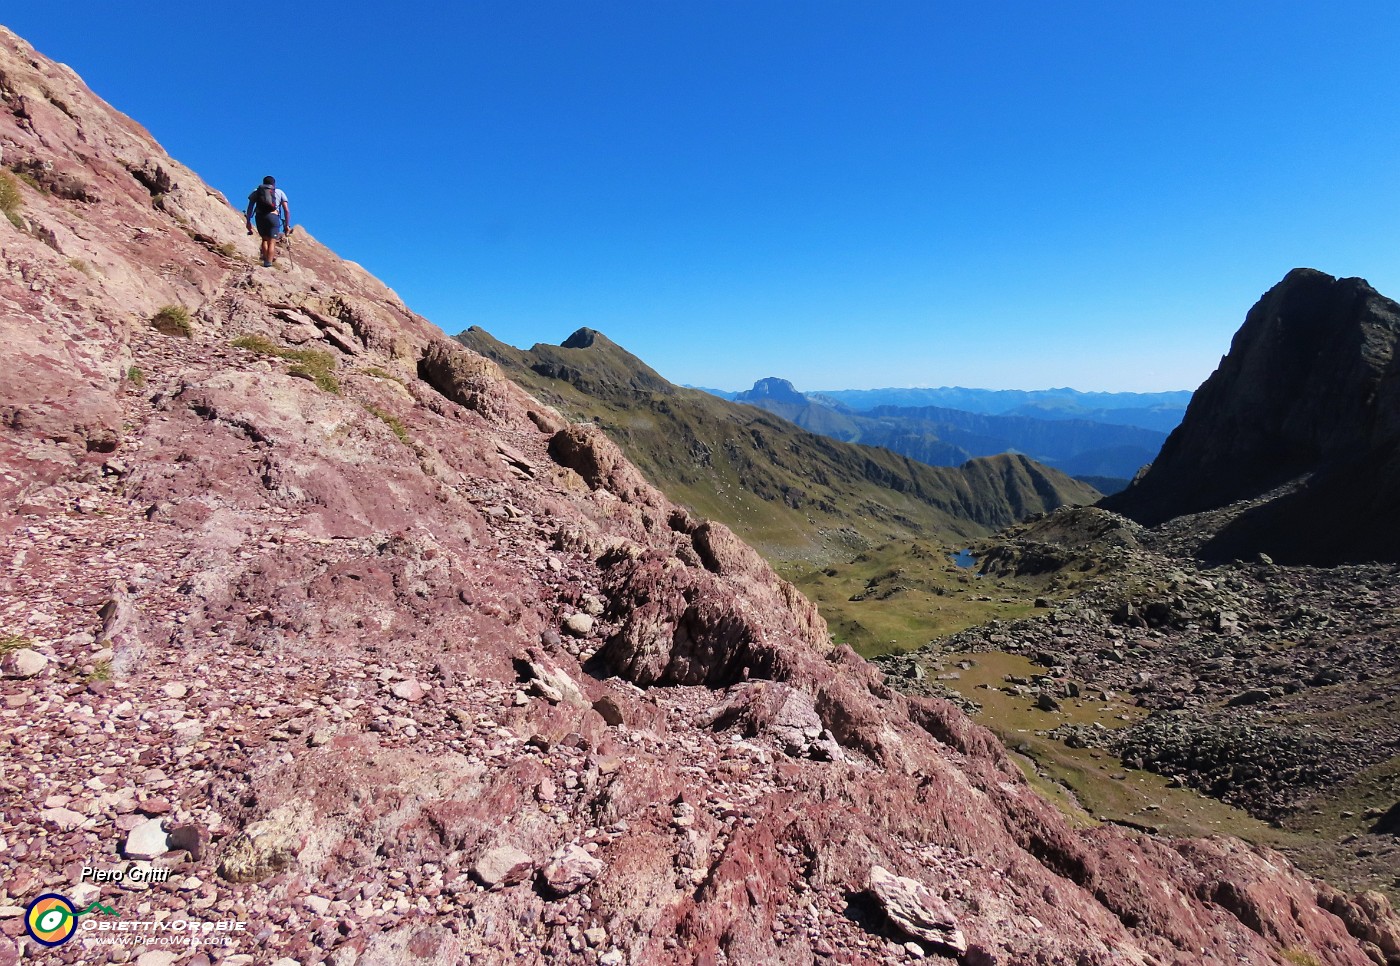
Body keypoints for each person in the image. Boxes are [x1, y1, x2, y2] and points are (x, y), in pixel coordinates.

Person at [245, 176, 291, 268]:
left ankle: (265, 261)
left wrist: (248, 220)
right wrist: (287, 225)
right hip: (273, 217)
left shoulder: (257, 191)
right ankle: (268, 264)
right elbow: (286, 210)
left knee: (265, 240)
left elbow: (250, 207)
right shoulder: (279, 192)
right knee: (272, 241)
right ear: (274, 184)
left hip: (260, 217)